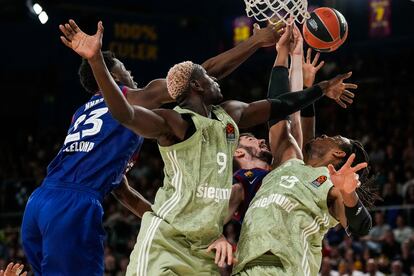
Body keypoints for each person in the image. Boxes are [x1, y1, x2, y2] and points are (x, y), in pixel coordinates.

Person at [59, 19, 354, 275]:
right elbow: (125, 114)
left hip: (204, 251)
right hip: (168, 242)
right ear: (197, 87)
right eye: (208, 77)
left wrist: (318, 88)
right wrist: (96, 60)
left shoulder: (232, 114)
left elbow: (281, 108)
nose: (216, 78)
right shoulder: (173, 123)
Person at [21, 19, 283, 276]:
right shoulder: (131, 96)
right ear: (113, 77)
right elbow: (199, 76)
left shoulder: (81, 113)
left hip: (39, 201)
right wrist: (255, 41)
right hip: (73, 204)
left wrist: (173, 227)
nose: (131, 75)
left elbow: (123, 192)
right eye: (125, 70)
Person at [232, 24, 373, 276]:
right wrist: (282, 54)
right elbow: (278, 113)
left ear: (339, 154)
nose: (325, 135)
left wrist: (350, 195)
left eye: (333, 137)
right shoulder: (290, 161)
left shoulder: (331, 185)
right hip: (245, 268)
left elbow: (361, 227)